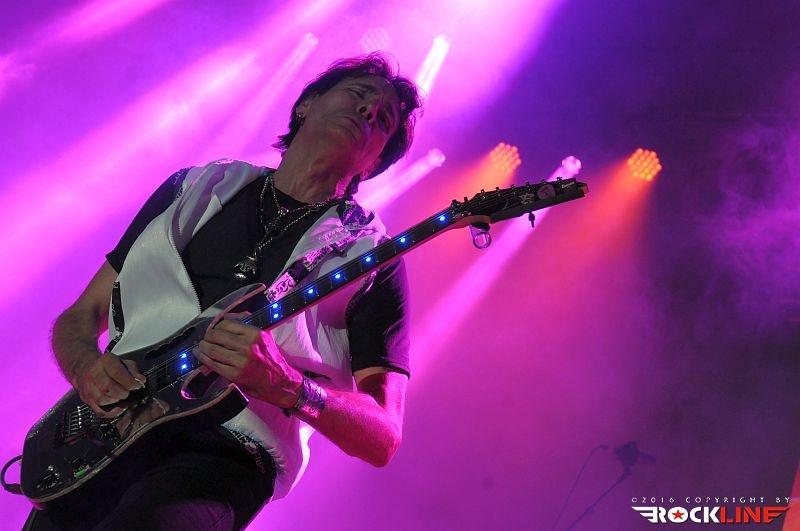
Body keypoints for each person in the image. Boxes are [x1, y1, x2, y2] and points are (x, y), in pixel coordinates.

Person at [25, 53, 423, 530]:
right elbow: (81, 315)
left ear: (374, 161)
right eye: (359, 95)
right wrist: (87, 369)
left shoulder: (372, 256)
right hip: (104, 434)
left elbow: (383, 434)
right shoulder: (194, 186)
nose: (368, 111)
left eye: (383, 120)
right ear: (307, 105)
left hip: (225, 452)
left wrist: (290, 387)